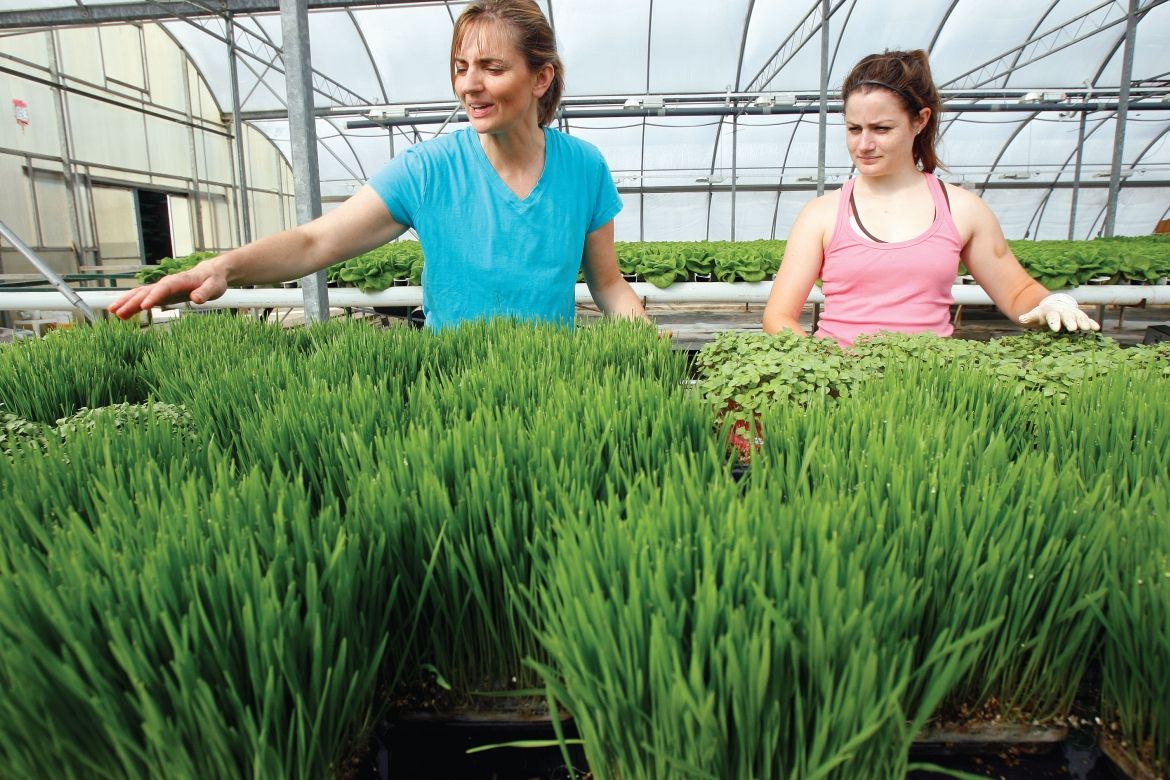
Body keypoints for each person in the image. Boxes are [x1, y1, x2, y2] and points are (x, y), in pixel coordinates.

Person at [108, 0, 648, 330]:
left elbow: (607, 284)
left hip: (553, 382)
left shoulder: (583, 168)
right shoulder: (428, 170)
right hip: (455, 384)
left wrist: (643, 342)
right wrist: (222, 267)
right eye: (460, 68)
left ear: (540, 79)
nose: (469, 85)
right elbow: (317, 242)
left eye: (492, 67)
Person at [762, 49, 1099, 348]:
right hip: (839, 390)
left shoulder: (963, 209)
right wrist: (825, 366)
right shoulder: (821, 214)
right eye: (854, 129)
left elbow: (1016, 292)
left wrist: (1054, 302)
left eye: (881, 129)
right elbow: (779, 316)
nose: (863, 144)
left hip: (928, 386)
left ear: (920, 120)